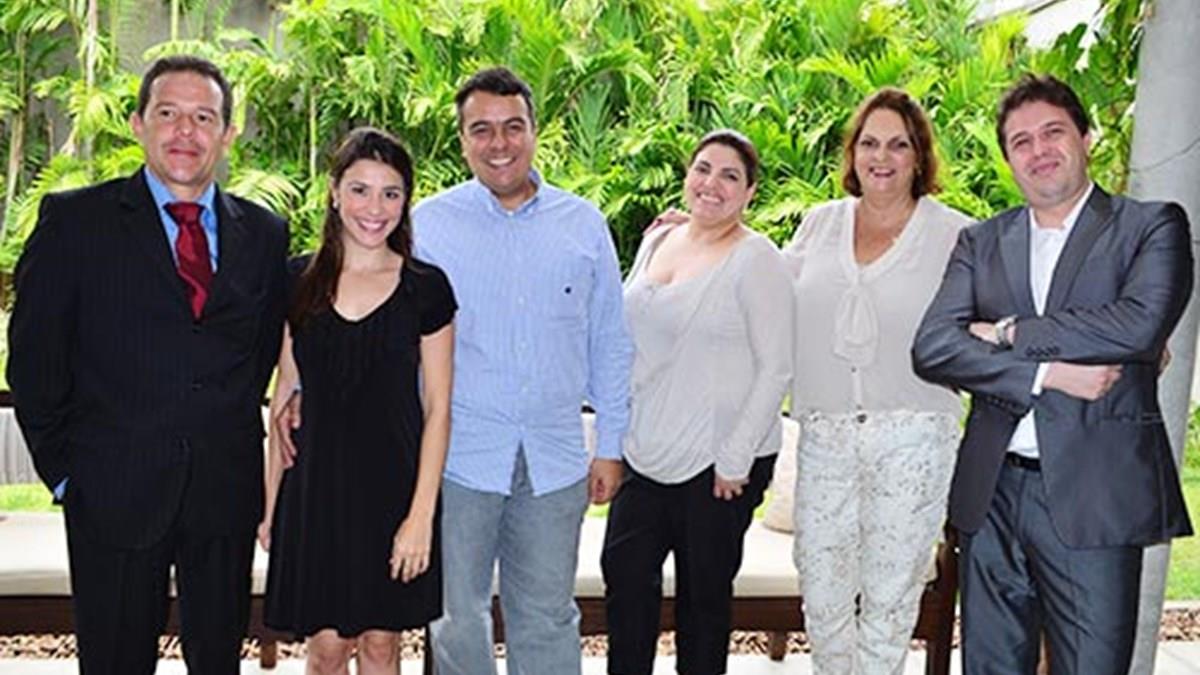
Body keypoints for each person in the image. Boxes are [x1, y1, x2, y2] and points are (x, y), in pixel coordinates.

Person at [277, 66, 633, 674]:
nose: (499, 143)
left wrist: (611, 445)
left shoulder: (582, 224)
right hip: (459, 458)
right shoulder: (430, 225)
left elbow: (609, 340)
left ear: (535, 131)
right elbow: (362, 310)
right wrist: (313, 388)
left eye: (513, 126)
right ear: (463, 140)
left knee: (547, 614)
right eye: (481, 129)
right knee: (453, 617)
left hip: (554, 457)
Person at [7, 55, 289, 673]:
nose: (186, 131)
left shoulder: (266, 236)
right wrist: (67, 476)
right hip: (111, 491)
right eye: (168, 113)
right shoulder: (75, 224)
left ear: (228, 133)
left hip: (223, 494)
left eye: (203, 117)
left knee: (218, 661)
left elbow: (263, 356)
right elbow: (33, 361)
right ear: (138, 124)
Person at [912, 74, 1193, 674]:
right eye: (1021, 142)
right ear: (1009, 158)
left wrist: (1009, 332)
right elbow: (933, 346)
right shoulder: (981, 241)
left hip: (1096, 497)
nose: (1038, 150)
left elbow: (1138, 327)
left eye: (1052, 133)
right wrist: (1044, 375)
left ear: (1086, 138)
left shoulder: (1149, 226)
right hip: (992, 496)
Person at [784, 88, 970, 674]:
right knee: (822, 597)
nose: (881, 157)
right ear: (853, 153)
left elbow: (1016, 302)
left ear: (919, 157)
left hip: (914, 437)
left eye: (898, 145)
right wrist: (705, 229)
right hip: (825, 435)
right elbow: (765, 295)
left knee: (890, 603)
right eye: (869, 143)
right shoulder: (818, 224)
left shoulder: (956, 234)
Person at [260, 128, 455, 674]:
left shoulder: (426, 287)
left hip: (393, 491)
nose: (375, 208)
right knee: (325, 652)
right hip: (316, 494)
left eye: (391, 193)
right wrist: (271, 508)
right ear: (334, 193)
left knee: (380, 647)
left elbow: (439, 408)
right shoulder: (297, 280)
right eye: (360, 190)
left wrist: (420, 516)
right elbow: (284, 397)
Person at [601, 129, 793, 675]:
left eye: (730, 176)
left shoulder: (758, 259)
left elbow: (776, 367)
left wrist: (734, 459)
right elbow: (631, 334)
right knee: (625, 578)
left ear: (750, 192)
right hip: (647, 450)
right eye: (703, 169)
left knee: (703, 602)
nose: (712, 183)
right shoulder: (658, 239)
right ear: (688, 175)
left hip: (720, 464)